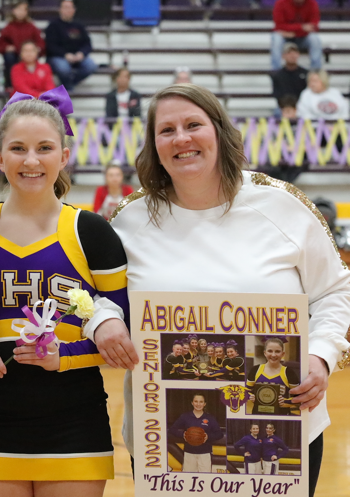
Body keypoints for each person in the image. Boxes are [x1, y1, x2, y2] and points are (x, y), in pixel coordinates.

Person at [109, 82, 350, 497]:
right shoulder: (128, 220)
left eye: (193, 125)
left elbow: (334, 290)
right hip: (164, 440)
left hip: (284, 427)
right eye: (166, 130)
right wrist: (106, 323)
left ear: (220, 131)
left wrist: (321, 355)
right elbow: (103, 300)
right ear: (153, 144)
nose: (181, 138)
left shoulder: (283, 205)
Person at [0, 86, 130, 496]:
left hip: (75, 423)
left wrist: (65, 357)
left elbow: (122, 338)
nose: (31, 160)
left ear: (64, 155)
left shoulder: (92, 232)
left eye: (44, 148)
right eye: (18, 148)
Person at [45, 0, 97, 91]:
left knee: (91, 66)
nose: (68, 10)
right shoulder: (53, 26)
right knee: (63, 68)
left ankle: (70, 83)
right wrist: (65, 55)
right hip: (58, 56)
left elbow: (87, 44)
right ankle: (67, 86)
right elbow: (50, 46)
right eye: (65, 7)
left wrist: (81, 53)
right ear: (60, 9)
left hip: (77, 56)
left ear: (74, 10)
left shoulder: (79, 25)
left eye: (70, 8)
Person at [168, 393, 223, 473]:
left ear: (204, 404)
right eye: (196, 401)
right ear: (192, 403)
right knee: (188, 478)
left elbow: (219, 434)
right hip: (189, 452)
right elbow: (172, 429)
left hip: (205, 453)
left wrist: (208, 437)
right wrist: (183, 434)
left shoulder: (210, 418)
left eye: (201, 402)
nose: (198, 404)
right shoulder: (185, 416)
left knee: (205, 478)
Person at [0, 1, 45, 91]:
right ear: (14, 11)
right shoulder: (9, 27)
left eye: (23, 10)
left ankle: (34, 85)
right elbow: (1, 43)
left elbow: (40, 43)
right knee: (9, 57)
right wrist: (7, 47)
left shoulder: (31, 27)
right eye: (19, 9)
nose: (21, 12)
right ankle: (10, 85)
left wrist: (33, 50)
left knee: (29, 57)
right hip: (15, 56)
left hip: (29, 56)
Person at [247, 338, 301, 416]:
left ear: (283, 354)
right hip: (258, 416)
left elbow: (299, 398)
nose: (273, 355)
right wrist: (250, 397)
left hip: (281, 417)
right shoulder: (255, 370)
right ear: (265, 353)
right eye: (270, 351)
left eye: (277, 351)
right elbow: (244, 392)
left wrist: (285, 402)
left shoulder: (289, 373)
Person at [271, 0, 322, 71]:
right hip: (285, 38)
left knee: (314, 39)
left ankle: (316, 72)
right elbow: (278, 26)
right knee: (276, 38)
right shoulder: (281, 2)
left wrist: (292, 31)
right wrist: (302, 27)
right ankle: (276, 72)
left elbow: (314, 26)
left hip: (303, 37)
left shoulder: (312, 3)